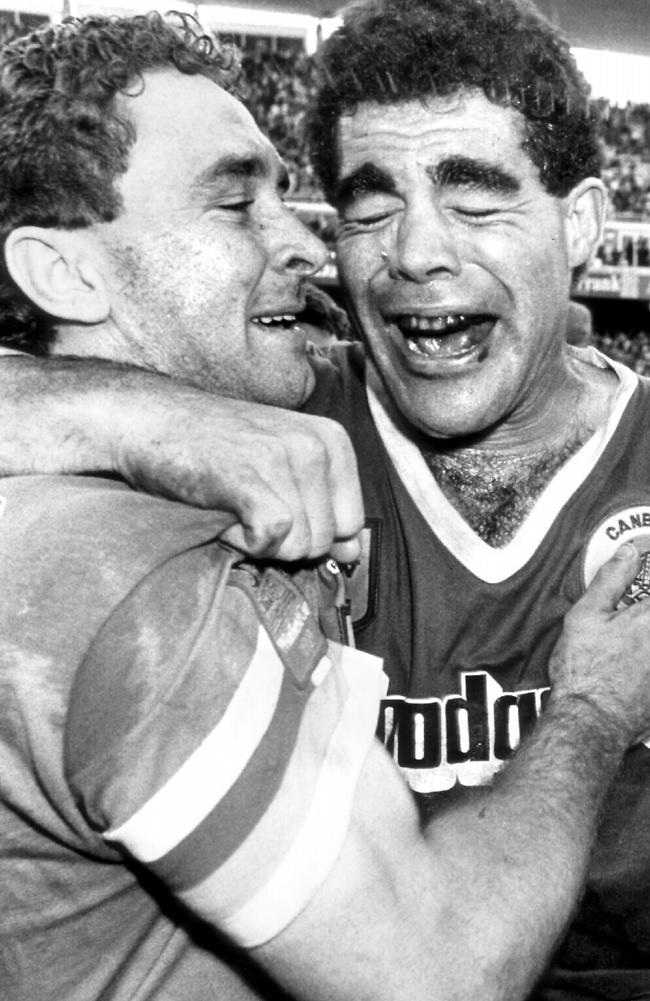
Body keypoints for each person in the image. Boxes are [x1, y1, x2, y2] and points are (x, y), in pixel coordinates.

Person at [0, 6, 649, 1001]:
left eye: (473, 200)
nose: (416, 252)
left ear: (579, 226)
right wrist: (132, 412)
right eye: (368, 205)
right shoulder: (258, 410)